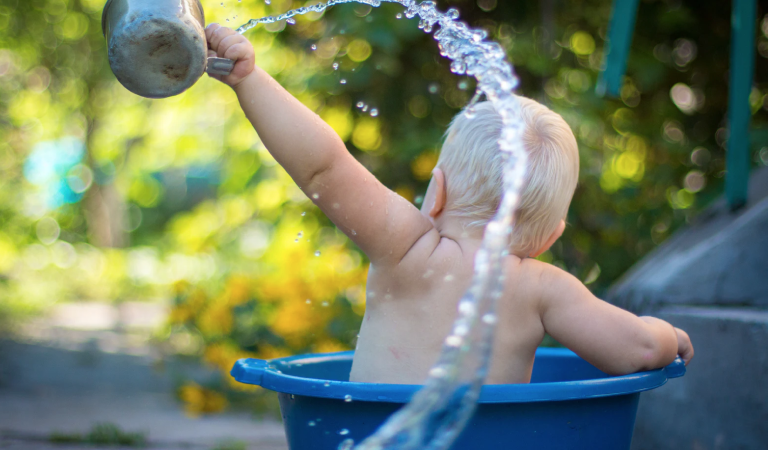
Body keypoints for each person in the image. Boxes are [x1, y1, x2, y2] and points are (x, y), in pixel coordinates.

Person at [205, 24, 694, 385]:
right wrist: (669, 335)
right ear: (550, 237)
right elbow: (638, 350)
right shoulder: (544, 289)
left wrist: (249, 78)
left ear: (435, 192)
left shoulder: (407, 249)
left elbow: (324, 168)